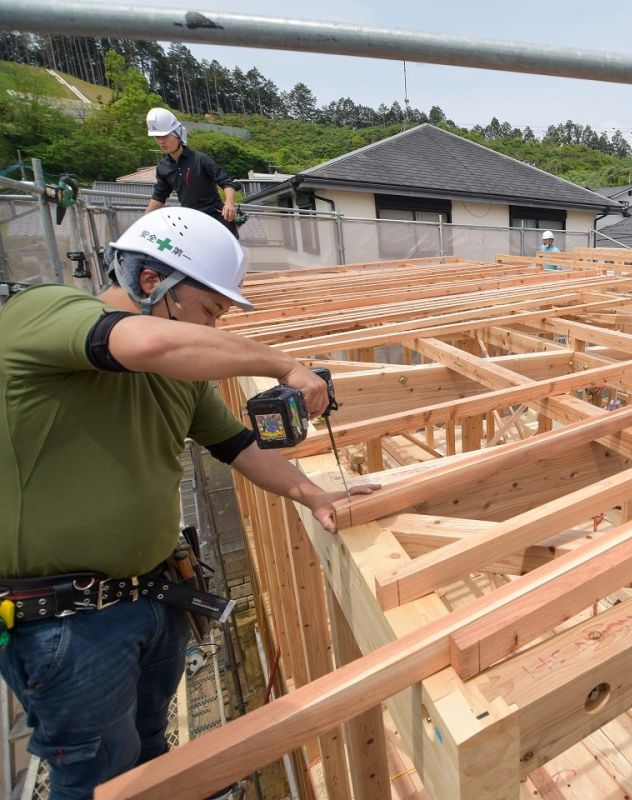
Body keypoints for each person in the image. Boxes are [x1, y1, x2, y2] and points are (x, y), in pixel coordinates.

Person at [0, 207, 376, 798]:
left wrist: (312, 492)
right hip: (68, 628)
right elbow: (143, 342)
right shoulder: (45, 312)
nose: (216, 330)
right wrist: (283, 362)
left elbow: (241, 447)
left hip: (152, 598)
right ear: (153, 283)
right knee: (99, 778)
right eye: (210, 312)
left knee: (150, 750)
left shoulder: (182, 381)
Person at [144, 107, 241, 239]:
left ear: (177, 134)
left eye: (165, 136)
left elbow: (226, 182)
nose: (161, 141)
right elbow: (159, 197)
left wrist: (229, 203)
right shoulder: (163, 168)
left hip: (216, 219)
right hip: (191, 223)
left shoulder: (201, 159)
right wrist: (143, 222)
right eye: (157, 137)